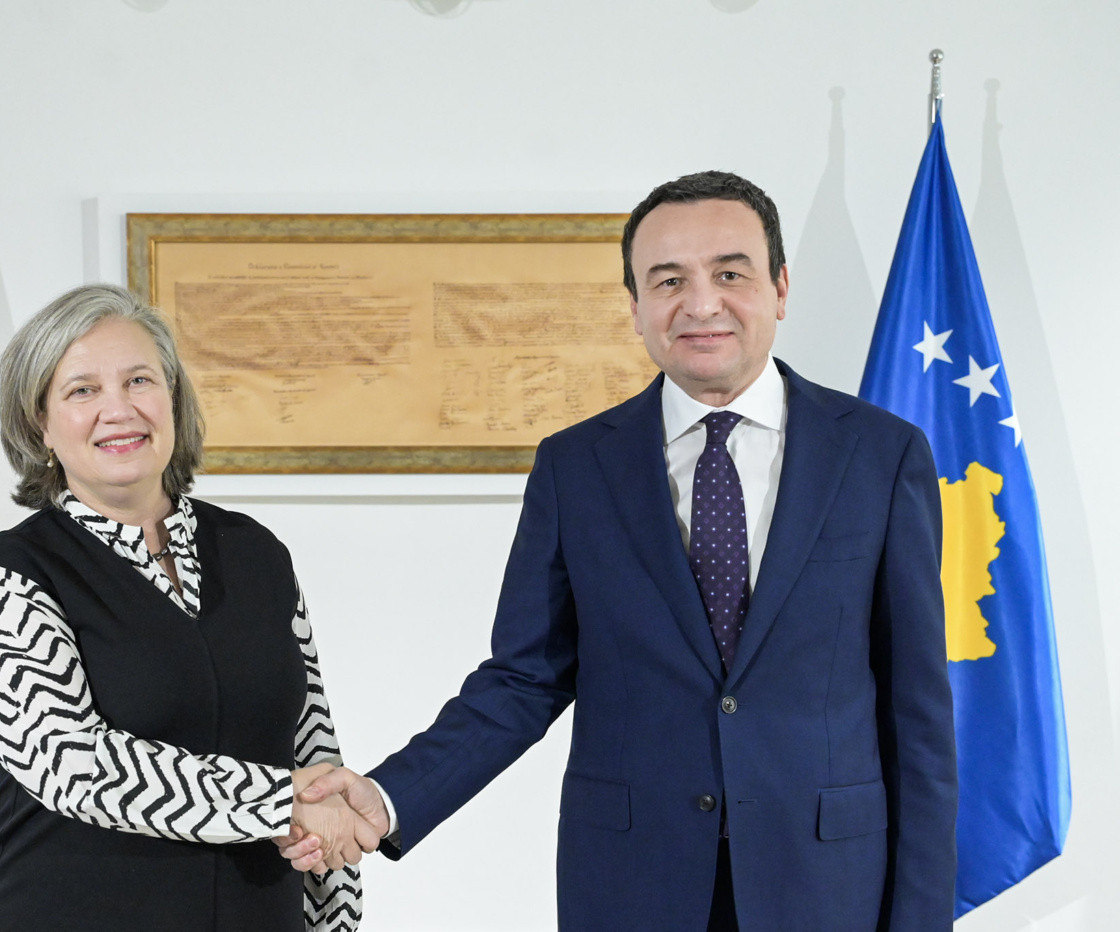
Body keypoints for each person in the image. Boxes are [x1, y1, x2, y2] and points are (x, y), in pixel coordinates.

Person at [281, 171, 958, 931]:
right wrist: (388, 796)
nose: (700, 304)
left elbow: (918, 714)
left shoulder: (880, 455)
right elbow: (524, 678)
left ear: (779, 288)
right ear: (636, 308)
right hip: (634, 885)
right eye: (668, 281)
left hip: (829, 884)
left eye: (729, 274)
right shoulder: (575, 467)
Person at [0, 283, 375, 931]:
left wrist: (335, 914)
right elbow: (72, 765)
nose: (118, 410)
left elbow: (313, 749)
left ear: (172, 398)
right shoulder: (5, 576)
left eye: (139, 380)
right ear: (40, 425)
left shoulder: (256, 553)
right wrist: (277, 801)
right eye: (82, 390)